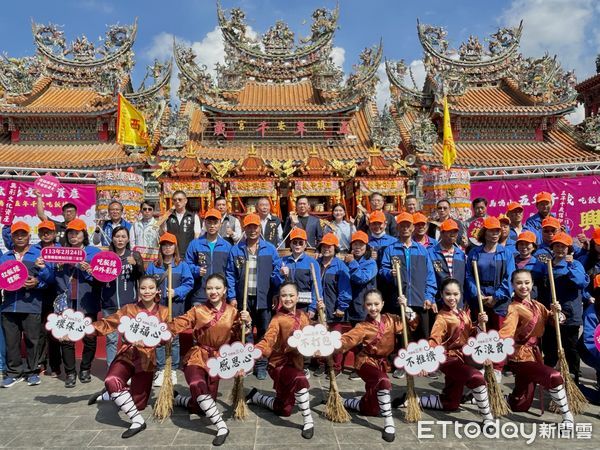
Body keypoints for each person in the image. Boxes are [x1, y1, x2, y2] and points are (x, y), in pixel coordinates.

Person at [169, 273, 251, 446]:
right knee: (196, 384)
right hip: (198, 356)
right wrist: (165, 331)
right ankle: (222, 427)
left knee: (203, 405)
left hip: (218, 361)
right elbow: (180, 322)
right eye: (209, 288)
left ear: (225, 291)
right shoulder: (197, 310)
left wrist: (247, 323)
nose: (213, 291)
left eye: (217, 288)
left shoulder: (233, 312)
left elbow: (240, 334)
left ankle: (178, 399)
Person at [399, 278, 494, 426]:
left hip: (462, 358)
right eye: (448, 294)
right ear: (442, 295)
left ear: (460, 294)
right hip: (448, 360)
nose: (452, 297)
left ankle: (412, 399)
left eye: (455, 294)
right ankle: (487, 418)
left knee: (451, 404)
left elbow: (471, 333)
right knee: (476, 378)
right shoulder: (442, 317)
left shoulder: (463, 313)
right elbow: (434, 340)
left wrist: (481, 324)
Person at [87, 275, 169, 438]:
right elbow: (107, 324)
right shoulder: (128, 309)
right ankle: (138, 422)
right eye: (143, 288)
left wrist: (152, 341)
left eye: (151, 288)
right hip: (127, 355)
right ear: (138, 290)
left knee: (138, 404)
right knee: (111, 381)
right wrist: (82, 330)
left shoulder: (165, 312)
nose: (147, 291)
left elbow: (165, 338)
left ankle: (108, 395)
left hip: (146, 361)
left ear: (157, 290)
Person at [337, 289, 417, 442]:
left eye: (376, 304)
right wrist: (332, 344)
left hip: (382, 364)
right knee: (383, 382)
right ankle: (389, 423)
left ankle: (344, 401)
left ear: (383, 304)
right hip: (365, 363)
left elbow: (412, 324)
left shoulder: (392, 319)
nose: (373, 308)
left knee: (372, 408)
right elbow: (348, 339)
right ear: (364, 306)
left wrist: (406, 308)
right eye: (369, 304)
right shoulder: (362, 326)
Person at [499, 269, 573, 425]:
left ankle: (492, 398)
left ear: (532, 284)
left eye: (527, 282)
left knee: (521, 405)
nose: (523, 286)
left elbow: (552, 320)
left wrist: (557, 314)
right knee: (553, 376)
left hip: (535, 355)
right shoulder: (513, 308)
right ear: (512, 285)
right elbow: (506, 333)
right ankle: (567, 417)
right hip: (520, 358)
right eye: (518, 283)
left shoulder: (537, 305)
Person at [246, 282, 316, 440]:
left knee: (284, 410)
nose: (288, 298)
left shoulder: (303, 316)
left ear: (298, 297)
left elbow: (312, 332)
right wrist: (255, 351)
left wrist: (321, 328)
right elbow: (268, 339)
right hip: (279, 364)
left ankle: (256, 397)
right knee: (300, 380)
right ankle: (308, 421)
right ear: (279, 298)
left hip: (296, 363)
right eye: (284, 295)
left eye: (291, 295)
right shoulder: (277, 319)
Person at [226, 213, 282, 379]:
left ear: (259, 228)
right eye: (249, 226)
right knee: (246, 331)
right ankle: (248, 362)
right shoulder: (236, 249)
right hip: (244, 297)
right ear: (244, 228)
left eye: (255, 227)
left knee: (264, 332)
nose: (252, 230)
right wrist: (232, 296)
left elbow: (276, 272)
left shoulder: (269, 249)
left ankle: (262, 364)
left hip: (263, 297)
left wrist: (276, 292)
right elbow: (230, 273)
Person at [0, 222, 53, 388]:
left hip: (32, 305)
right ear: (12, 237)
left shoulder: (38, 255)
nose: (20, 237)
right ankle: (13, 373)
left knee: (33, 341)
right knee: (11, 342)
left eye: (23, 234)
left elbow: (49, 279)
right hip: (9, 306)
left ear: (29, 236)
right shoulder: (5, 257)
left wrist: (36, 282)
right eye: (17, 234)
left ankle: (32, 372)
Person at [465, 216, 515, 379]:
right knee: (481, 331)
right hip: (479, 296)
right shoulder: (475, 253)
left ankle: (498, 367)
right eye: (491, 231)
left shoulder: (506, 253)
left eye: (497, 231)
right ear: (484, 233)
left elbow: (510, 277)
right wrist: (477, 293)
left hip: (499, 298)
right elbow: (468, 276)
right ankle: (482, 363)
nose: (494, 234)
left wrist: (496, 297)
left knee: (498, 332)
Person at [54, 218, 101, 388]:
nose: (73, 236)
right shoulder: (60, 252)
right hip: (67, 302)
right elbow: (52, 278)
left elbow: (100, 277)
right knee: (66, 339)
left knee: (89, 337)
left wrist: (88, 270)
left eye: (77, 233)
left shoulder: (93, 252)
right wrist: (58, 267)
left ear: (84, 234)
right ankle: (70, 373)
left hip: (87, 300)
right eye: (70, 233)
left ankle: (85, 369)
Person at [539, 232, 589, 383]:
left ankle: (573, 380)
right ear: (552, 248)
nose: (560, 249)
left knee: (571, 349)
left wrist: (571, 265)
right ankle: (548, 379)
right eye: (557, 246)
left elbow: (581, 282)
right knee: (550, 349)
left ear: (569, 248)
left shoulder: (575, 264)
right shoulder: (547, 265)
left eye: (563, 246)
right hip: (551, 314)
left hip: (570, 315)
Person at [380, 213, 437, 341]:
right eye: (402, 225)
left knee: (422, 338)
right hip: (399, 301)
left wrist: (429, 296)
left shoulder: (422, 250)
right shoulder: (390, 249)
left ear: (413, 228)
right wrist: (390, 273)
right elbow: (382, 270)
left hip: (420, 301)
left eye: (408, 225)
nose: (405, 228)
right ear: (397, 228)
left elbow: (430, 276)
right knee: (402, 338)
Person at [146, 233, 193, 387]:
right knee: (159, 337)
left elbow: (189, 283)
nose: (167, 248)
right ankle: (160, 368)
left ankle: (172, 368)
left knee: (174, 338)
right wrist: (154, 293)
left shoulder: (182, 265)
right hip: (159, 309)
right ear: (160, 247)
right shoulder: (154, 266)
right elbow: (147, 283)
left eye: (170, 245)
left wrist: (176, 292)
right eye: (164, 245)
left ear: (175, 247)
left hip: (176, 307)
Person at [99, 226, 144, 367]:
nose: (120, 239)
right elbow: (98, 278)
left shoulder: (134, 255)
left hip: (129, 305)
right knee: (111, 339)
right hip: (109, 304)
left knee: (128, 339)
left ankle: (127, 369)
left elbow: (142, 276)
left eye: (123, 236)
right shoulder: (106, 256)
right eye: (117, 236)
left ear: (128, 239)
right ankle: (112, 370)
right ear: (112, 238)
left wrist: (136, 265)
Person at [314, 233, 351, 377]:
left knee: (335, 339)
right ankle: (322, 364)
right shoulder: (316, 264)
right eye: (324, 246)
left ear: (335, 248)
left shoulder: (340, 266)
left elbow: (345, 289)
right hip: (319, 308)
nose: (326, 249)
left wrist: (341, 306)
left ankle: (336, 366)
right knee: (321, 337)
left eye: (329, 246)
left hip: (334, 309)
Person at [344, 231, 378, 380]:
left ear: (366, 246)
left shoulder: (370, 262)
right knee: (356, 339)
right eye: (355, 244)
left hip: (364, 308)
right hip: (351, 306)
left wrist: (352, 263)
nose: (357, 247)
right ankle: (360, 365)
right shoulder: (347, 260)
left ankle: (366, 366)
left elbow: (362, 278)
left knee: (366, 339)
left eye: (361, 245)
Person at [185, 209, 232, 306]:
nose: (212, 226)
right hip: (200, 293)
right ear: (205, 223)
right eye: (209, 222)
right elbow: (186, 265)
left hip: (220, 294)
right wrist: (196, 270)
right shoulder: (195, 244)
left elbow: (230, 272)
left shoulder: (227, 246)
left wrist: (231, 295)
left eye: (215, 223)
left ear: (220, 223)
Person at [33, 220, 62, 377]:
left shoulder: (61, 250)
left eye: (49, 231)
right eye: (42, 231)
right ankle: (40, 363)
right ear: (38, 234)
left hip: (56, 295)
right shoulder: (33, 250)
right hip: (37, 295)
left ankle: (55, 365)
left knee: (54, 332)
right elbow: (30, 272)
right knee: (39, 331)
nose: (46, 234)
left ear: (54, 234)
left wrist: (43, 274)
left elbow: (58, 276)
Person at [278, 228, 321, 316]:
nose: (298, 245)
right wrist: (281, 274)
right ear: (290, 244)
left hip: (305, 306)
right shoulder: (283, 261)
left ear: (305, 245)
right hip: (287, 304)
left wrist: (312, 307)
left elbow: (316, 287)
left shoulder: (312, 263)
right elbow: (275, 283)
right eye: (295, 242)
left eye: (301, 243)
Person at [428, 219, 466, 307]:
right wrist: (431, 299)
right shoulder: (431, 252)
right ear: (441, 233)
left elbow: (465, 280)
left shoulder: (461, 254)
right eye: (449, 231)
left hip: (457, 302)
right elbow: (427, 278)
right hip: (438, 302)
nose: (453, 235)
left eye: (455, 232)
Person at [162, 190, 202, 257]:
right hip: (172, 255)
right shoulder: (168, 217)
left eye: (180, 199)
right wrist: (161, 224)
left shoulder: (193, 217)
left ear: (185, 201)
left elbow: (197, 236)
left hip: (188, 254)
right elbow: (163, 234)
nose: (177, 202)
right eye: (175, 200)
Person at [514, 231, 544, 300]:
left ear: (533, 247)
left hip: (533, 300)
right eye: (521, 244)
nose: (524, 247)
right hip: (513, 300)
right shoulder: (511, 262)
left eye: (527, 244)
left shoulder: (539, 265)